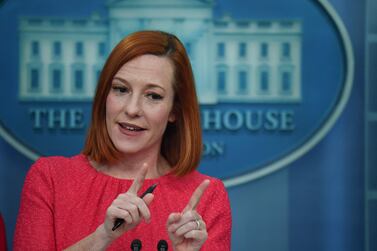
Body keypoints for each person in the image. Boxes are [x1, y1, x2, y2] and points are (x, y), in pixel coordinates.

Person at [14, 30, 231, 251]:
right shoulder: (49, 178)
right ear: (104, 96)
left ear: (175, 109)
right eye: (121, 89)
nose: (132, 109)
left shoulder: (208, 196)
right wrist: (103, 237)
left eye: (153, 95)